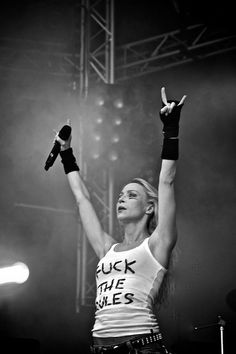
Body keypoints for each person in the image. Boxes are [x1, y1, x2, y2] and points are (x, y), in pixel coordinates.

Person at [55, 87, 186, 354]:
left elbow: (167, 179)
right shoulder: (106, 249)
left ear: (150, 207)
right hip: (100, 350)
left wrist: (170, 129)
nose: (121, 199)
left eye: (132, 195)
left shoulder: (157, 245)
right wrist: (66, 154)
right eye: (121, 195)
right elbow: (82, 199)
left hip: (142, 348)